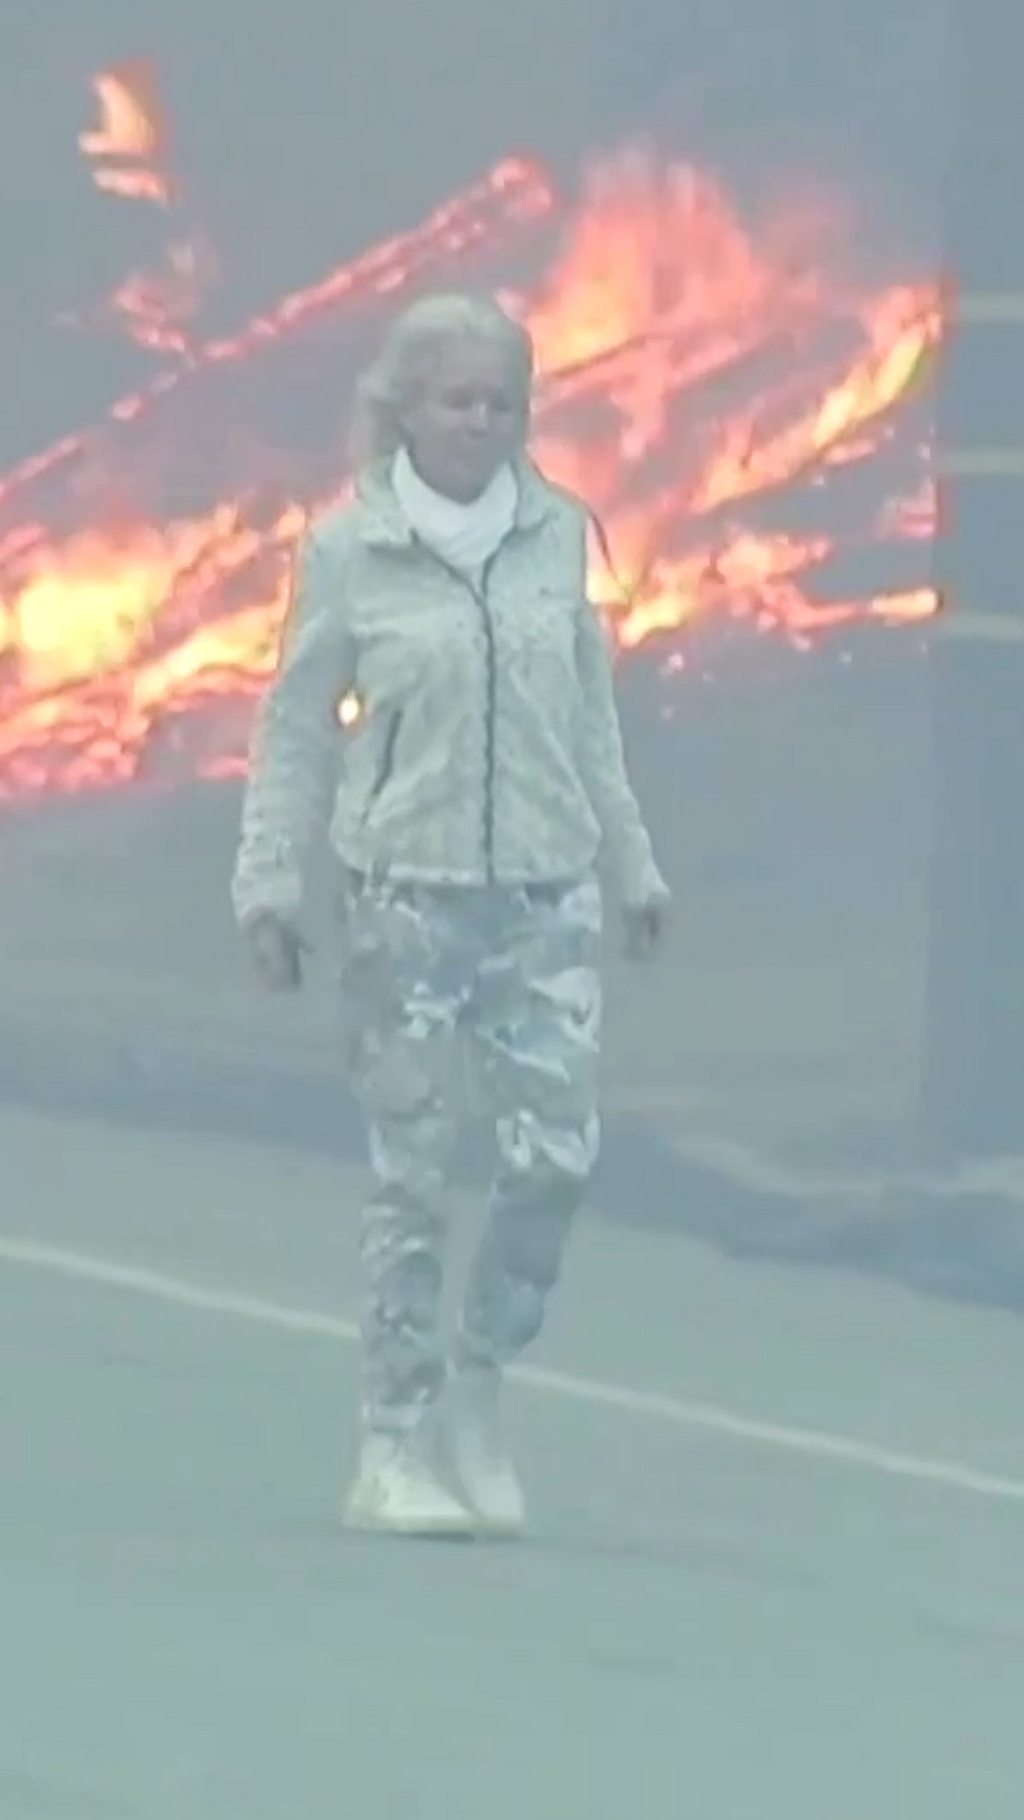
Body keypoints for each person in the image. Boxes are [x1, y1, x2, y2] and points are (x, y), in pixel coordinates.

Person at [231, 291, 670, 1541]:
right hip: (405, 903)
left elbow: (587, 719)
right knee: (414, 1176)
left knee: (554, 1157)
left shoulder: (555, 535)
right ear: (404, 406)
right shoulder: (348, 550)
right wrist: (268, 881)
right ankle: (391, 1437)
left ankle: (480, 1379)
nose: (481, 420)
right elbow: (297, 725)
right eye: (457, 397)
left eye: (502, 401)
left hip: (545, 895)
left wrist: (632, 865)